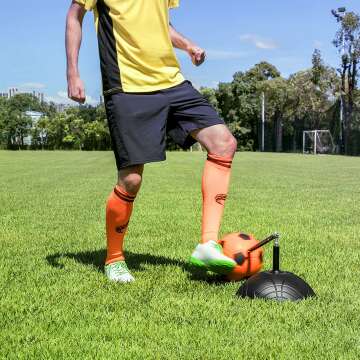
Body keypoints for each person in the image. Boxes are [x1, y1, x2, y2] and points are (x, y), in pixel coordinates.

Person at [66, 0, 238, 283]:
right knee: (131, 179)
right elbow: (74, 17)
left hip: (172, 82)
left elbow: (161, 26)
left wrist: (188, 45)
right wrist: (73, 72)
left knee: (223, 143)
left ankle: (208, 245)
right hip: (127, 87)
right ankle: (114, 259)